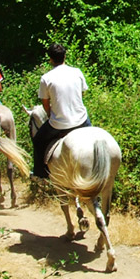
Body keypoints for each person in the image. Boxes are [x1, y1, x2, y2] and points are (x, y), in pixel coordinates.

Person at [30, 43, 91, 179]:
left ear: (50, 59)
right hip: (82, 120)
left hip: (59, 124)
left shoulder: (46, 78)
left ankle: (40, 174)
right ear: (65, 56)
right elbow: (82, 95)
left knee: (38, 140)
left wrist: (52, 115)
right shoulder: (77, 72)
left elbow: (45, 104)